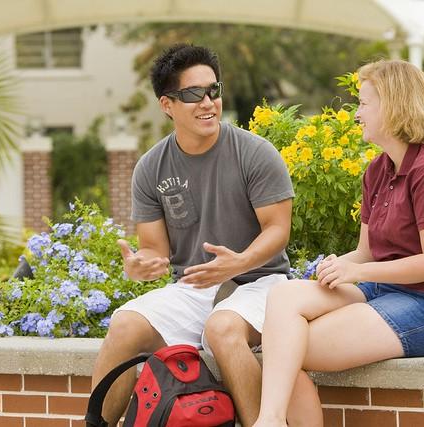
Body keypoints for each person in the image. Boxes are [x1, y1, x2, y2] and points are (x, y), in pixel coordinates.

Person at [253, 59, 424, 427]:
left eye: (363, 103)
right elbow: (368, 250)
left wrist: (357, 271)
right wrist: (339, 265)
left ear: (393, 106)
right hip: (385, 289)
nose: (356, 113)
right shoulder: (378, 170)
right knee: (284, 301)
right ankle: (271, 420)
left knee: (289, 349)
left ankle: (270, 421)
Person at [91, 43, 294, 427]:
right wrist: (144, 264)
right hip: (195, 286)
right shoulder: (151, 167)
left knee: (223, 328)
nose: (208, 102)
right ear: (167, 104)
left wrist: (239, 262)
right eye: (192, 95)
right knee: (124, 324)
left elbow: (278, 230)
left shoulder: (255, 153)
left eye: (213, 90)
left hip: (261, 280)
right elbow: (156, 250)